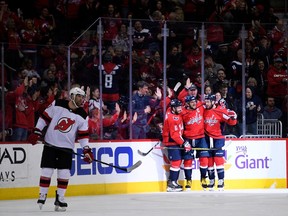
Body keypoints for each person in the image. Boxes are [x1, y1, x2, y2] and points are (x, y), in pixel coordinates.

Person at [27, 86, 94, 211]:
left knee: (64, 173)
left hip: (67, 148)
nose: (81, 99)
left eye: (82, 97)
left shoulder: (82, 115)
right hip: (50, 144)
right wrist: (37, 131)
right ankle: (42, 194)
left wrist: (86, 150)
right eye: (79, 96)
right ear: (72, 96)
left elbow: (83, 135)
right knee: (46, 170)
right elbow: (44, 118)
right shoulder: (58, 104)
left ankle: (60, 197)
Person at [203, 94, 237, 191]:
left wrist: (233, 117)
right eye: (206, 101)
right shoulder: (203, 111)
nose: (206, 103)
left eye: (208, 101)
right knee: (209, 161)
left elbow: (231, 122)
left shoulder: (220, 111)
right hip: (206, 138)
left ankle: (221, 180)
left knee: (218, 160)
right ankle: (211, 180)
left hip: (218, 138)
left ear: (213, 102)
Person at [182, 95, 209, 191]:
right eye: (192, 102)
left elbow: (210, 102)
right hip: (188, 138)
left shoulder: (200, 107)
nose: (194, 103)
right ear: (187, 104)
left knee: (204, 158)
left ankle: (203, 178)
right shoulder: (182, 112)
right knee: (188, 160)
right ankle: (188, 180)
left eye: (195, 101)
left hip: (201, 138)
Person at [162, 99, 188, 192]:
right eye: (178, 107)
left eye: (180, 107)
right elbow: (175, 135)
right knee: (176, 162)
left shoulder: (170, 111)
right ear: (173, 108)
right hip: (172, 142)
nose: (180, 109)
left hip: (174, 142)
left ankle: (173, 181)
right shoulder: (172, 118)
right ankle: (171, 184)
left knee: (177, 161)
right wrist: (184, 143)